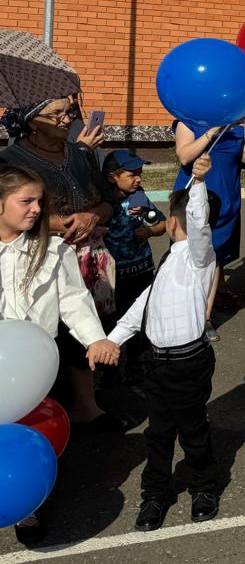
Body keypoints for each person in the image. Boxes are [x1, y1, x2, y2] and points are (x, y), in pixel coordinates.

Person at [0, 164, 119, 546]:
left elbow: (74, 299)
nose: (36, 209)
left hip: (32, 365)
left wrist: (95, 339)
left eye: (39, 201)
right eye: (26, 201)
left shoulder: (51, 250)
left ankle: (25, 503)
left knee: (28, 429)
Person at [104, 155, 222, 532]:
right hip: (157, 363)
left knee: (192, 430)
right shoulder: (171, 256)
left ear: (172, 222)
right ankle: (155, 493)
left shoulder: (199, 257)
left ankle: (204, 486)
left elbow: (199, 225)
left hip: (188, 363)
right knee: (158, 432)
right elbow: (145, 302)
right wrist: (115, 338)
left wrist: (199, 183)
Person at [0, 97, 122, 430]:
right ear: (31, 121)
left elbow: (73, 300)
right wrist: (63, 222)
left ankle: (81, 405)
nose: (67, 119)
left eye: (68, 112)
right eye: (55, 114)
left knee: (71, 329)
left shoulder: (81, 155)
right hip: (43, 248)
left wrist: (90, 217)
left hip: (81, 258)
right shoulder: (9, 162)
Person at [172, 120, 245, 337]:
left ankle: (205, 317)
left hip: (225, 200)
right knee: (186, 254)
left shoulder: (238, 130)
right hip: (192, 198)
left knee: (215, 258)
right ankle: (180, 309)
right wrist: (211, 132)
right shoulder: (187, 122)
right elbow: (184, 156)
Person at [100, 150, 166, 380]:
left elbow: (161, 224)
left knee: (142, 317)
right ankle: (109, 366)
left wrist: (148, 230)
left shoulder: (139, 196)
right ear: (111, 177)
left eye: (140, 173)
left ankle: (138, 363)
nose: (138, 179)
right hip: (112, 277)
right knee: (113, 321)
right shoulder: (102, 203)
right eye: (132, 174)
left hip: (141, 271)